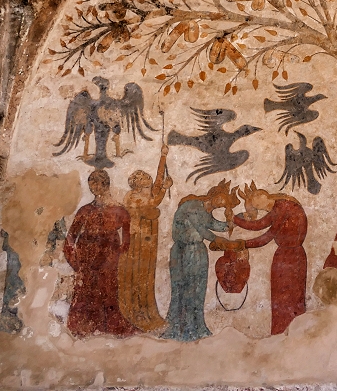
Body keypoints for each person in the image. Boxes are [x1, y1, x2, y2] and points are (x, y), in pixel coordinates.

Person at [64, 169, 138, 337]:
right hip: (86, 257)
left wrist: (112, 255)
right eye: (91, 184)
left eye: (97, 183)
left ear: (106, 184)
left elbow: (126, 242)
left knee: (107, 290)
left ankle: (106, 326)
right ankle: (84, 327)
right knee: (85, 291)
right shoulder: (85, 210)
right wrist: (75, 261)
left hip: (108, 259)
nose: (94, 187)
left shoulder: (120, 211)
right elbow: (70, 237)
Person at [162, 180, 236, 342]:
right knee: (182, 289)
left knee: (198, 290)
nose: (221, 204)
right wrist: (219, 240)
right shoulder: (193, 206)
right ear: (213, 194)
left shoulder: (206, 212)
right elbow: (202, 230)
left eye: (224, 203)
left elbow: (215, 225)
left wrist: (232, 222)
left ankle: (196, 326)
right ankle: (179, 327)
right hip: (183, 251)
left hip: (197, 251)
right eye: (221, 199)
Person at [229, 182, 308, 335]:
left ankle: (291, 333)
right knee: (280, 299)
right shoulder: (278, 206)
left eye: (258, 206)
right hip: (284, 256)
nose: (261, 210)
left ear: (262, 197)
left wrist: (243, 244)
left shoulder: (283, 207)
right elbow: (259, 224)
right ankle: (280, 332)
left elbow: (267, 237)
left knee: (290, 299)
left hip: (291, 257)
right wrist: (235, 220)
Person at [118, 145, 172, 332]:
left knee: (147, 276)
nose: (150, 187)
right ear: (137, 186)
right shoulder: (134, 198)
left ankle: (148, 311)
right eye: (145, 184)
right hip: (137, 243)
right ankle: (137, 312)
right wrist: (164, 189)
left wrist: (163, 156)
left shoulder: (144, 193)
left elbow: (158, 181)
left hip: (148, 242)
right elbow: (153, 205)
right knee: (138, 276)